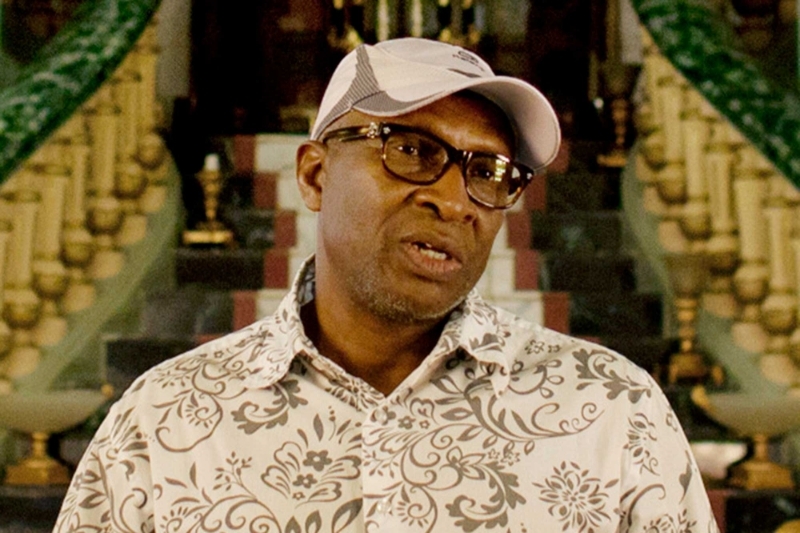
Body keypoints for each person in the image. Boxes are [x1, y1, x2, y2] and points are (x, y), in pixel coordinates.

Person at [54, 38, 718, 533]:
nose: (455, 201)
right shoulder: (166, 422)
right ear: (314, 175)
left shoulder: (611, 413)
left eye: (488, 172)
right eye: (411, 150)